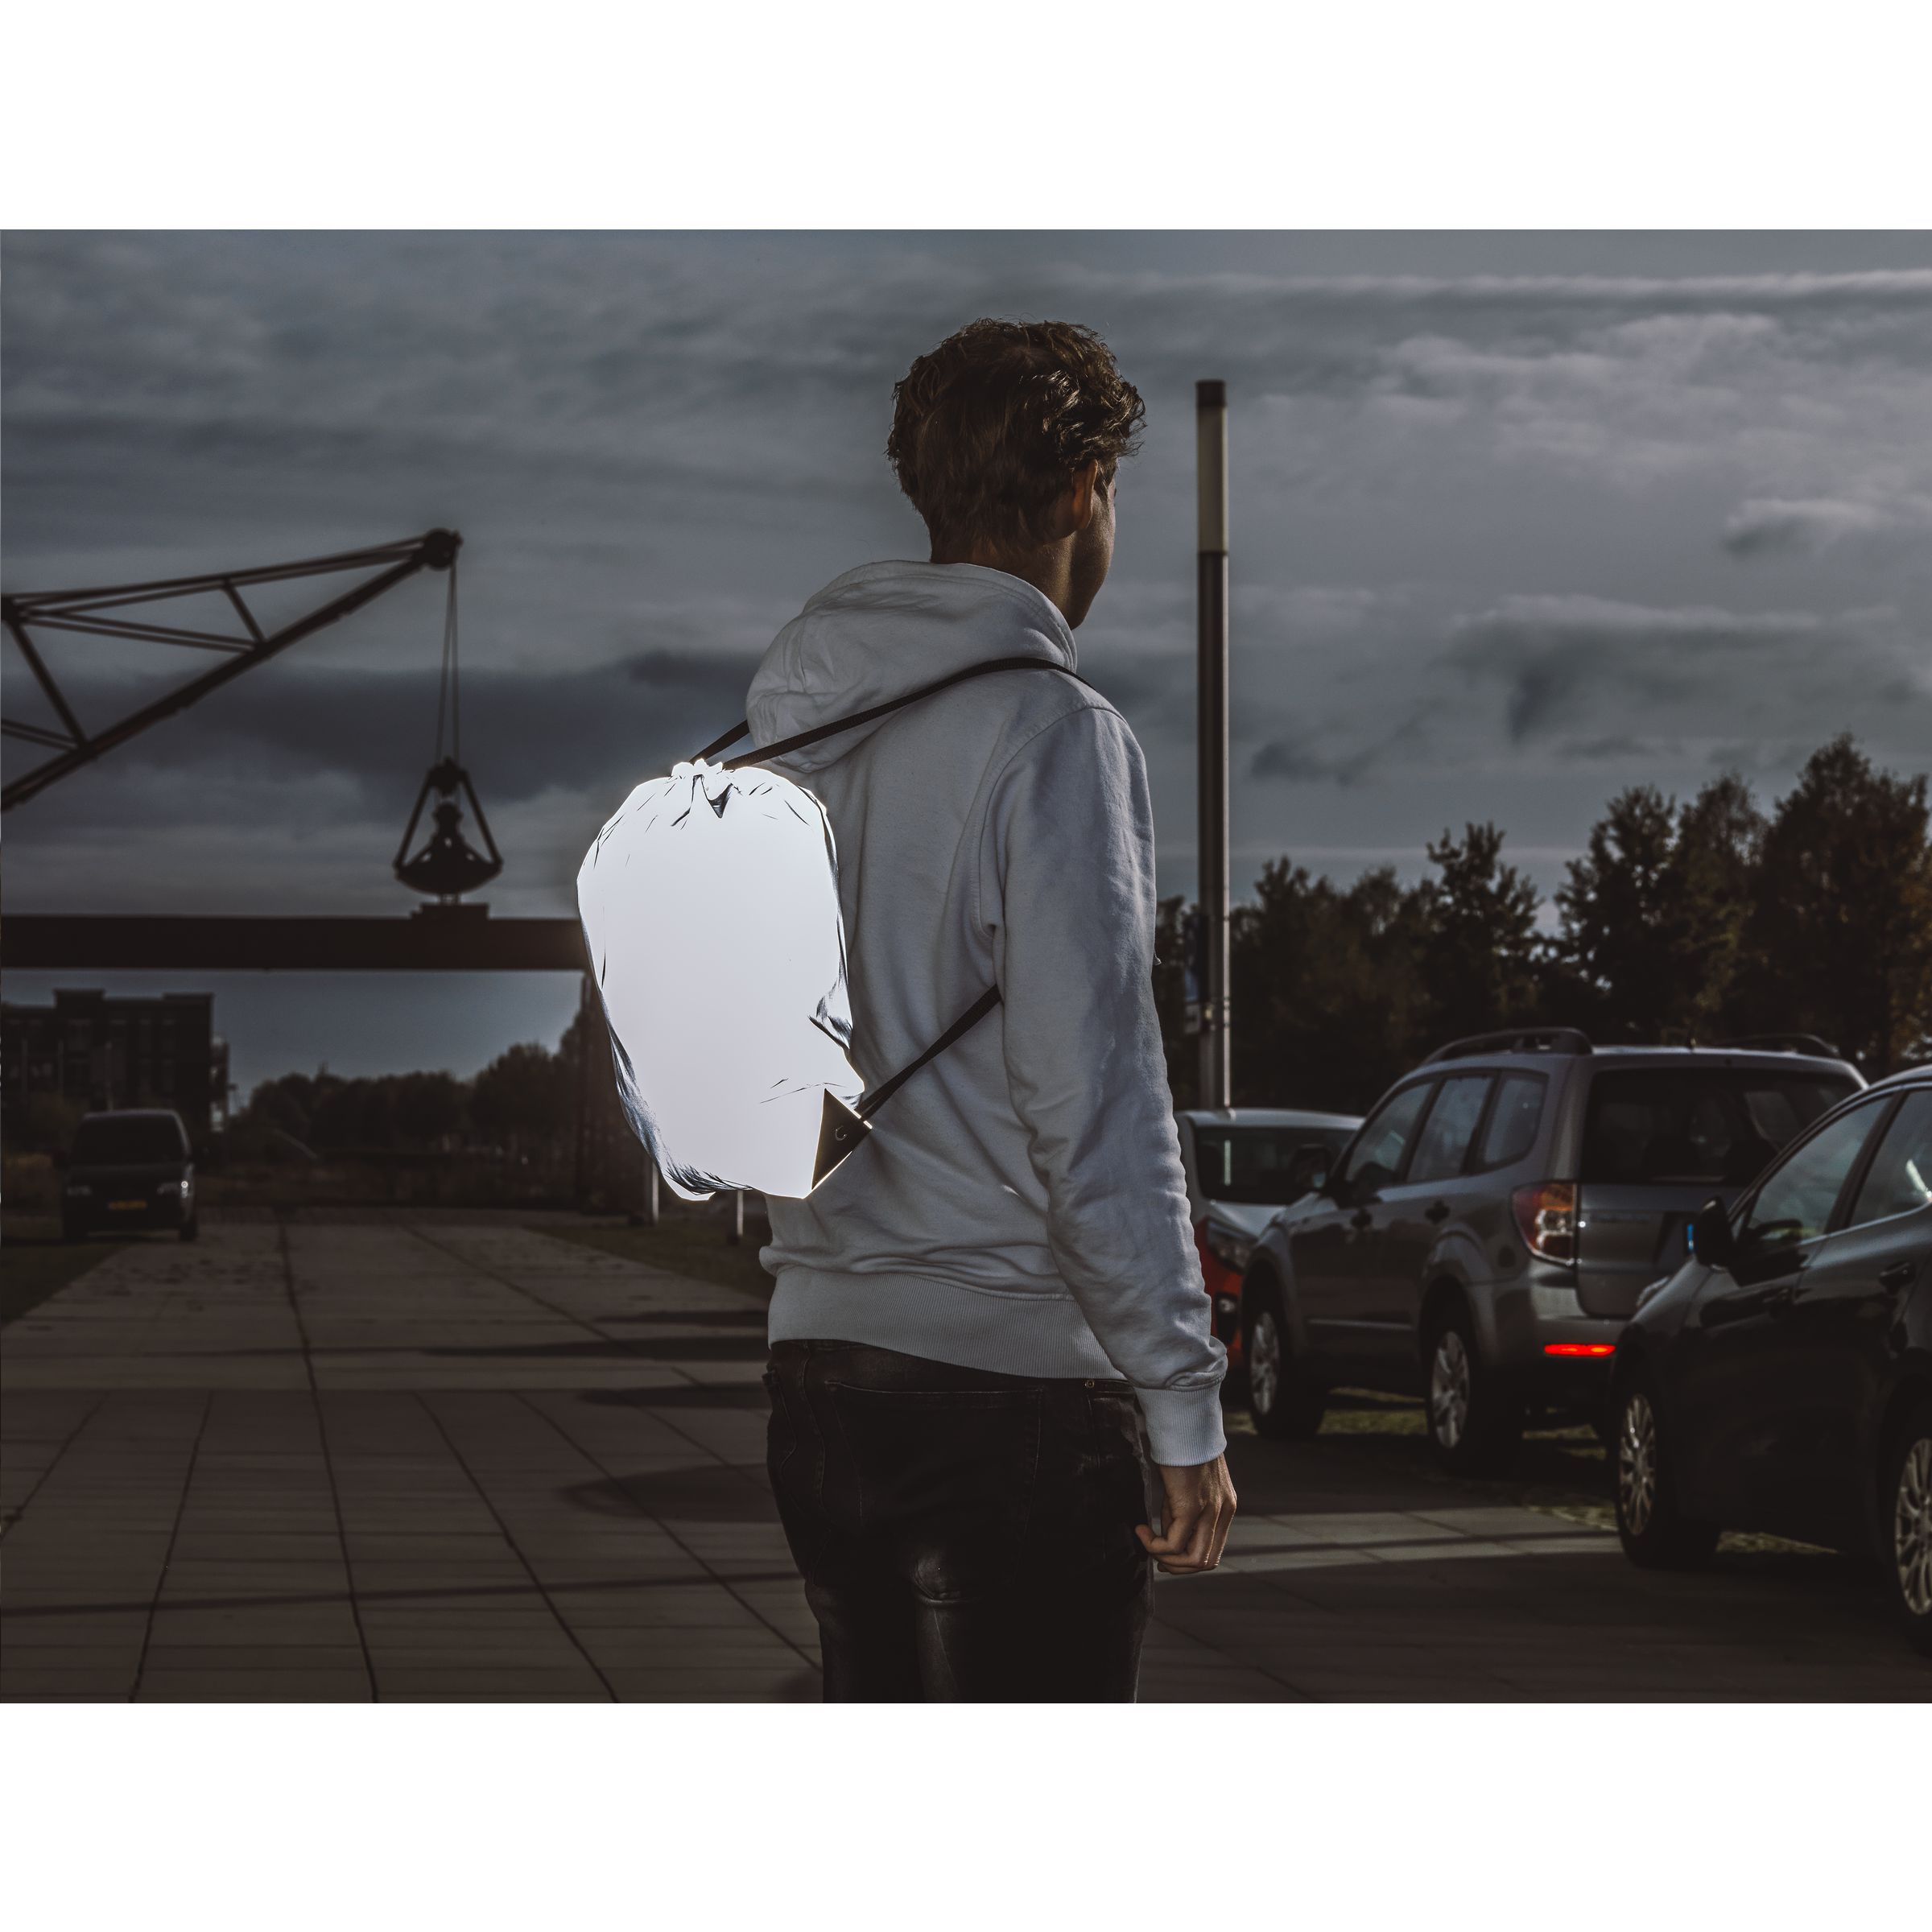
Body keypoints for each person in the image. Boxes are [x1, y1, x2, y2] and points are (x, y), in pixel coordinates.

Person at [753, 318, 1236, 1702]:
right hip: (1007, 1388)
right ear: (1084, 490)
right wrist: (1182, 1400)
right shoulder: (1054, 733)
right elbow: (1098, 1100)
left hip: (821, 1376)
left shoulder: (798, 727)